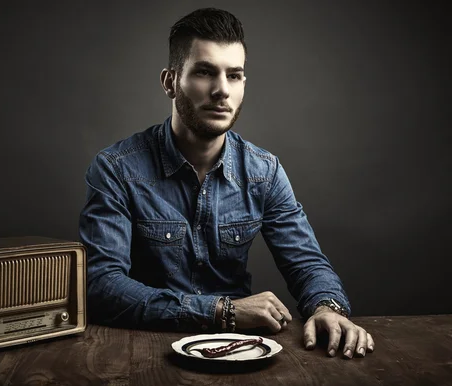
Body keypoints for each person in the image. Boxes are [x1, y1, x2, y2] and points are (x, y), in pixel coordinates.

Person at [79, 8, 374, 359]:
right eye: (205, 72)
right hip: (140, 352)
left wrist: (327, 308)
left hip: (239, 352)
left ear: (243, 84)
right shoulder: (116, 169)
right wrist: (222, 311)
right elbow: (101, 286)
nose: (221, 90)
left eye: (234, 75)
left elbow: (306, 263)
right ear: (170, 81)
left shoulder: (263, 171)